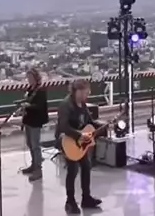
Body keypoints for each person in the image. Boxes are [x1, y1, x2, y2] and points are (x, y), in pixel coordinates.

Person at [57, 79, 103, 214]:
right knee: (72, 170)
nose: (85, 96)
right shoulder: (66, 105)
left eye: (87, 93)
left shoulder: (82, 105)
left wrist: (102, 125)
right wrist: (79, 135)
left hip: (80, 143)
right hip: (67, 140)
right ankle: (70, 201)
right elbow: (63, 126)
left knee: (86, 166)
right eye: (83, 93)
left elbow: (89, 122)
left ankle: (86, 198)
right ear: (76, 91)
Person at [20, 68, 48, 181]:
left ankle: (38, 169)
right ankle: (33, 164)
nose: (29, 80)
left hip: (36, 120)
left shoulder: (40, 90)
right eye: (28, 78)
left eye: (31, 77)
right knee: (30, 143)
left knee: (35, 145)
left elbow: (40, 106)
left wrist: (29, 106)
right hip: (28, 119)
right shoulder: (30, 89)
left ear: (36, 77)